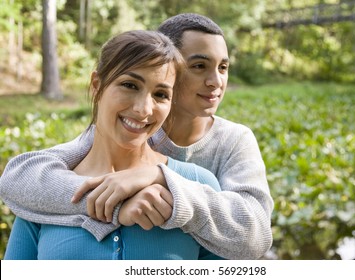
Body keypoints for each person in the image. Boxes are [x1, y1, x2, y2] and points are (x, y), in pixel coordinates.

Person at [0, 13, 273, 259]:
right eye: (199, 66)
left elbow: (255, 234)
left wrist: (159, 177)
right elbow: (20, 176)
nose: (215, 81)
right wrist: (112, 201)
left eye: (223, 67)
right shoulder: (77, 162)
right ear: (97, 86)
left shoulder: (228, 147)